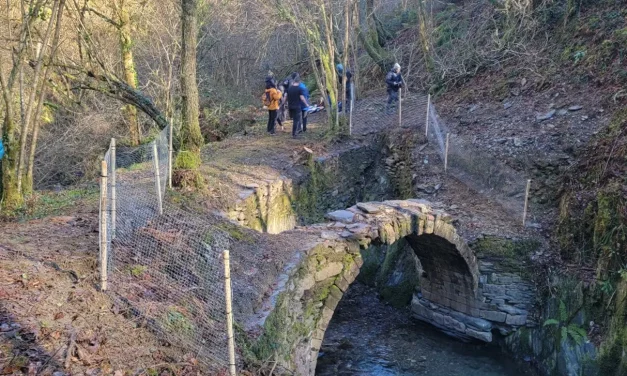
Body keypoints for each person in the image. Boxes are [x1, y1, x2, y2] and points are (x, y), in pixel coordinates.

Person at [287, 73, 309, 138]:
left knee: (296, 119)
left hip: (291, 106)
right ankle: (298, 131)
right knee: (300, 118)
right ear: (299, 81)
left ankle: (298, 130)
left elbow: (286, 96)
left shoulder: (290, 88)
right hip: (299, 105)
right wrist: (306, 104)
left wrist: (283, 103)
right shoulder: (301, 87)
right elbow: (303, 97)